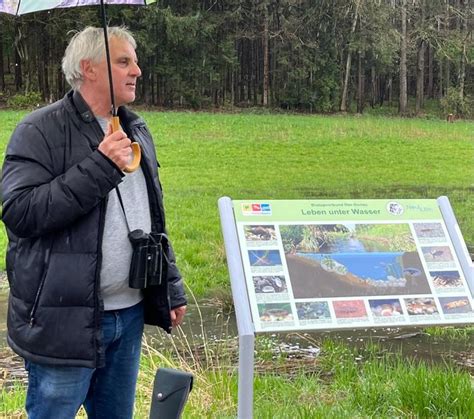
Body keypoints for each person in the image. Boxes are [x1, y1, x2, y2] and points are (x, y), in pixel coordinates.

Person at [1, 26, 187, 418]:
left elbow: (150, 217)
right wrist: (101, 165)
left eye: (134, 61)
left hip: (129, 314)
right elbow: (20, 212)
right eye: (123, 61)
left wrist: (169, 285)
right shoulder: (39, 130)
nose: (137, 70)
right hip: (61, 322)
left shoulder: (135, 127)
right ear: (89, 68)